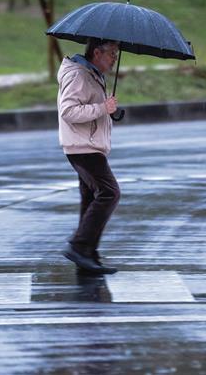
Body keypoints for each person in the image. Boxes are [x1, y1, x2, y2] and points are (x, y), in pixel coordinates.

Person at [57, 38, 121, 274]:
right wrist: (102, 109)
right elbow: (68, 111)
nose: (114, 58)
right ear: (97, 52)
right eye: (112, 53)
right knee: (109, 193)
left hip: (87, 145)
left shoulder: (91, 74)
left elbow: (89, 107)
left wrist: (109, 111)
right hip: (83, 147)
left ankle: (87, 256)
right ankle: (79, 246)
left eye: (116, 54)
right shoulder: (79, 74)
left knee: (91, 197)